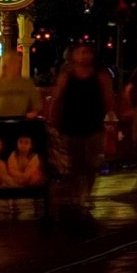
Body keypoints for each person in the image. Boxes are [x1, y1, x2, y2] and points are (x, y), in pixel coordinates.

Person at [49, 44, 116, 214]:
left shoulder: (100, 74)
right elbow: (57, 99)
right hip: (70, 123)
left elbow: (109, 98)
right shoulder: (67, 75)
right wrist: (53, 121)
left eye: (86, 52)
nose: (83, 56)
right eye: (79, 52)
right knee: (73, 163)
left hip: (93, 123)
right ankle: (76, 194)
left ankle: (86, 194)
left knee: (91, 163)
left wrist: (111, 118)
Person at [0, 52, 44, 122]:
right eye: (14, 63)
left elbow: (36, 105)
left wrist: (33, 113)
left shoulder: (27, 84)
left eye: (19, 63)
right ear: (6, 65)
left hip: (22, 124)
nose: (18, 65)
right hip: (0, 125)